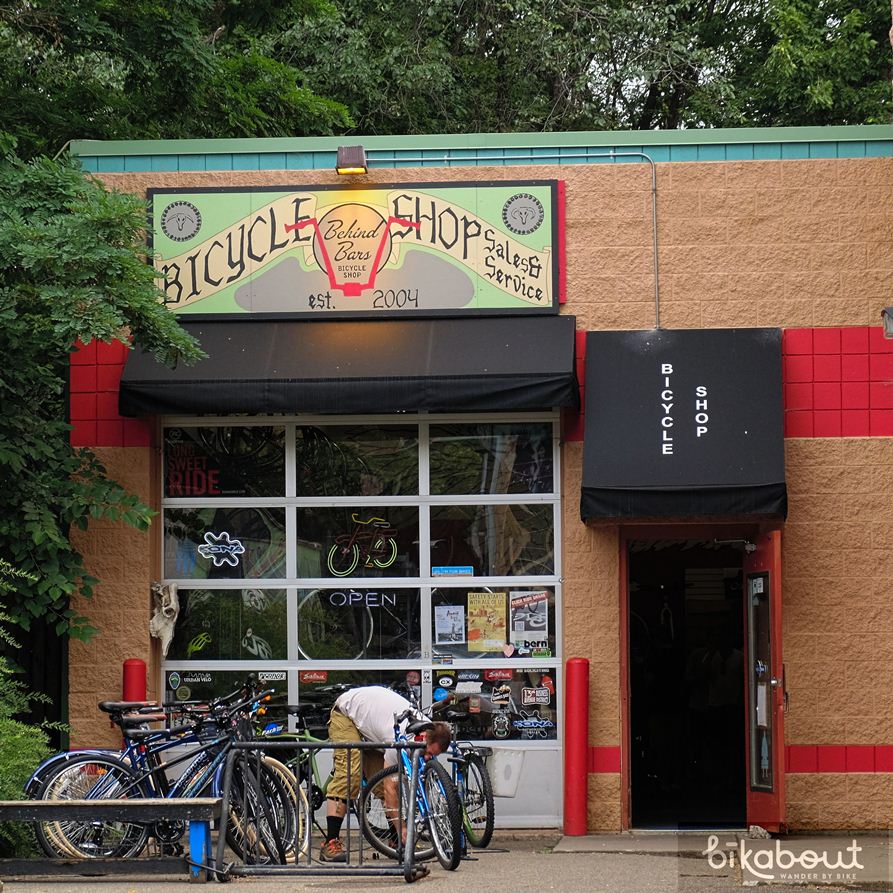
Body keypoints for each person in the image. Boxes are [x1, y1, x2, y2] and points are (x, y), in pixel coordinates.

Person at [320, 685, 452, 863]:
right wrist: (403, 827)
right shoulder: (399, 739)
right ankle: (331, 843)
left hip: (372, 722)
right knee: (349, 775)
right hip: (347, 713)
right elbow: (391, 788)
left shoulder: (425, 726)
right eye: (428, 753)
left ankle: (396, 840)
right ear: (424, 738)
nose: (428, 758)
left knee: (383, 782)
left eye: (433, 756)